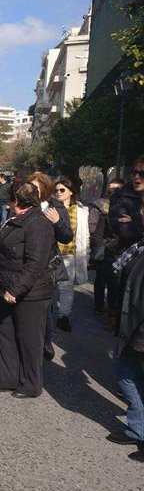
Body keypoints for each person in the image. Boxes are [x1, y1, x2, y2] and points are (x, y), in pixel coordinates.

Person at [0, 181, 54, 398]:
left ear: (16, 200)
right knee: (5, 333)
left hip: (29, 293)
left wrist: (16, 290)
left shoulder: (38, 224)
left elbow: (35, 263)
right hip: (7, 286)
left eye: (10, 198)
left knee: (29, 340)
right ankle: (9, 378)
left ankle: (30, 384)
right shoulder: (17, 218)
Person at [26, 172, 73, 361]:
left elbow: (66, 236)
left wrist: (57, 221)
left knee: (44, 308)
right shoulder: (23, 205)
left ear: (44, 190)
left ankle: (45, 341)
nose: (30, 191)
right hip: (27, 263)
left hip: (47, 266)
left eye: (35, 188)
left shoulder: (55, 208)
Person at [107, 238, 144, 462]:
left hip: (139, 331)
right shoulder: (139, 244)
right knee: (125, 373)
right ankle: (137, 430)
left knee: (125, 373)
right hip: (132, 326)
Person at [108, 157, 144, 330]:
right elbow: (123, 229)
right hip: (132, 263)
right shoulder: (121, 196)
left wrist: (135, 219)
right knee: (130, 325)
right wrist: (141, 221)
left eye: (142, 173)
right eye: (134, 172)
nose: (137, 177)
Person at [52, 177, 89, 332]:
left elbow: (84, 234)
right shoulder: (51, 207)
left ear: (71, 192)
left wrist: (86, 254)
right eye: (56, 190)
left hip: (69, 255)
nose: (59, 193)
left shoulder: (80, 210)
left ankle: (64, 316)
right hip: (52, 254)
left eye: (62, 190)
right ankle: (45, 312)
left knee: (66, 288)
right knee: (48, 286)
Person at [89, 178, 124, 314]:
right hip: (105, 251)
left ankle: (113, 311)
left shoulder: (131, 209)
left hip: (121, 252)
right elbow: (95, 231)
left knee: (115, 283)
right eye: (111, 190)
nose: (113, 192)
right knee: (102, 279)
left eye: (117, 190)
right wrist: (97, 252)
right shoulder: (101, 208)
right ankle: (102, 308)